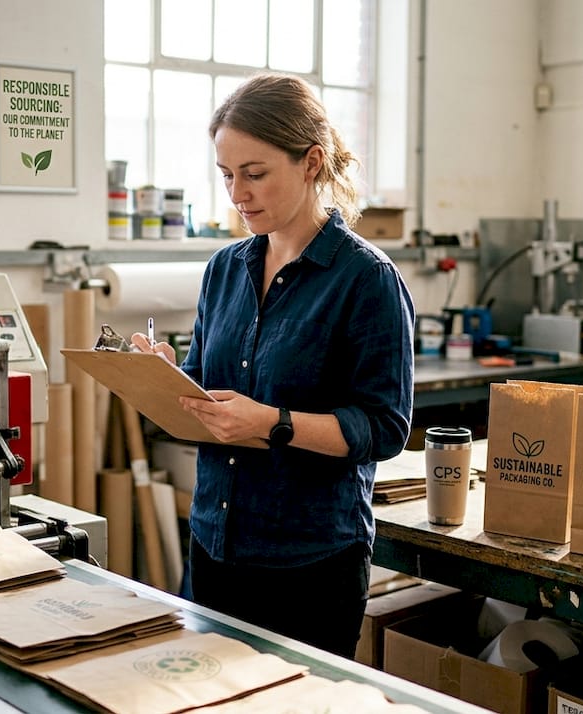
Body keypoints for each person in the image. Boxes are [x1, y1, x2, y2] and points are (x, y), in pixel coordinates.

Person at [130, 72, 415, 658]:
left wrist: (273, 423)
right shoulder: (224, 270)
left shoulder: (366, 280)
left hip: (309, 562)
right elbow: (208, 393)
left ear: (312, 162)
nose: (238, 194)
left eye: (255, 174)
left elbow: (383, 429)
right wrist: (164, 378)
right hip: (214, 542)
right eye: (227, 175)